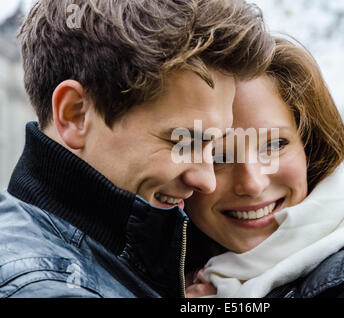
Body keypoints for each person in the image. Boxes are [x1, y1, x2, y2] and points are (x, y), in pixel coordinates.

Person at [0, 0, 275, 298]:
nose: (206, 181)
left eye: (214, 145)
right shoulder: (46, 287)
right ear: (75, 114)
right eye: (183, 142)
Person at [183, 37, 344, 298]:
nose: (253, 183)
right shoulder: (171, 267)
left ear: (309, 150)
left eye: (275, 145)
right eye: (219, 157)